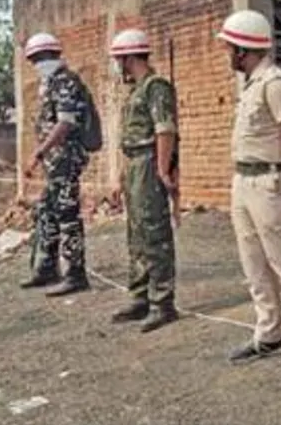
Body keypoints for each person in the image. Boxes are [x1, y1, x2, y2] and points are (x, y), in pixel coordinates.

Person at [215, 10, 281, 375]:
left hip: (271, 181)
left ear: (243, 49)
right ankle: (270, 330)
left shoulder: (274, 83)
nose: (227, 53)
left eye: (230, 47)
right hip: (245, 181)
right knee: (254, 263)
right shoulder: (252, 83)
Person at [108, 29, 180, 332]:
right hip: (136, 164)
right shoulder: (135, 90)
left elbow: (165, 130)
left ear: (128, 58)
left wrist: (163, 171)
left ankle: (162, 301)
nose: (117, 66)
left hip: (150, 164)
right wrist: (122, 175)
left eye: (118, 59)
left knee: (154, 231)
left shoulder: (156, 87)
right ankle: (140, 295)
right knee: (136, 232)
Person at [20, 32, 94, 296]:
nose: (36, 64)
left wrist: (39, 152)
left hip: (66, 157)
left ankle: (76, 273)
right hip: (56, 161)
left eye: (38, 59)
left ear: (48, 57)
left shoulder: (65, 82)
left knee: (66, 212)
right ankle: (47, 268)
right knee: (47, 209)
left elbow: (65, 122)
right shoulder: (51, 84)